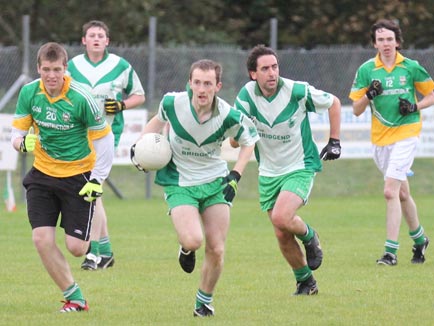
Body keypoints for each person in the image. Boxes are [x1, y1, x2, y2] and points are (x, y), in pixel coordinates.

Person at [131, 59, 259, 317]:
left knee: (217, 248)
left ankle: (204, 302)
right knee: (193, 239)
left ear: (218, 86)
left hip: (214, 182)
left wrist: (236, 174)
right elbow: (157, 122)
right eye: (197, 82)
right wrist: (140, 147)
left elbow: (250, 141)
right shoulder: (172, 104)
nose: (202, 89)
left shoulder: (228, 115)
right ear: (190, 83)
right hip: (179, 182)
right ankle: (186, 248)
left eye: (208, 84)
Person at [10, 42, 114, 312]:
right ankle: (75, 298)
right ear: (38, 69)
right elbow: (16, 134)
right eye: (46, 69)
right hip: (42, 175)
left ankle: (96, 242)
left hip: (78, 177)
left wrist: (97, 179)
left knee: (77, 248)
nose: (51, 75)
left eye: (57, 69)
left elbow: (105, 140)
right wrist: (22, 144)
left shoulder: (81, 98)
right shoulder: (29, 93)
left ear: (65, 69)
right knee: (41, 239)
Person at [233, 44, 342, 296]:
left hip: (300, 165)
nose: (272, 73)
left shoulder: (296, 90)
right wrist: (237, 135)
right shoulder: (246, 97)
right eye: (265, 69)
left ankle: (310, 236)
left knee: (281, 217)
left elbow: (334, 103)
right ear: (253, 74)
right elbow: (236, 138)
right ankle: (305, 282)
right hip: (269, 172)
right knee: (281, 234)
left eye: (275, 67)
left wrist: (334, 141)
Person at [349, 19, 434, 266]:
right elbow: (356, 109)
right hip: (380, 138)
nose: (385, 44)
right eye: (381, 39)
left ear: (397, 42)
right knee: (402, 193)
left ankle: (390, 252)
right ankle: (420, 240)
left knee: (390, 191)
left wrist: (414, 106)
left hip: (407, 133)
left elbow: (431, 96)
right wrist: (369, 95)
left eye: (389, 39)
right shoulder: (367, 70)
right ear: (374, 43)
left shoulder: (410, 67)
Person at [67, 20, 146, 270]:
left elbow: (139, 95)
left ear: (107, 41)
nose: (97, 39)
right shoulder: (72, 66)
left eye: (101, 35)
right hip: (80, 134)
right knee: (93, 191)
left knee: (92, 188)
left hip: (108, 133)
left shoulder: (120, 65)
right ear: (84, 41)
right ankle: (105, 252)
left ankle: (94, 253)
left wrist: (122, 105)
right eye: (92, 35)